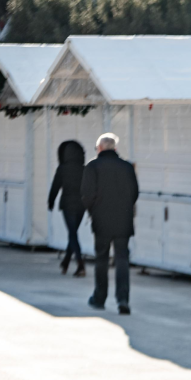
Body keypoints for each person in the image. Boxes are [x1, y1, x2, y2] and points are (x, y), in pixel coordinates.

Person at [81, 133, 139, 315]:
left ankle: (99, 298)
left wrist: (93, 211)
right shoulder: (127, 167)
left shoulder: (92, 166)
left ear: (99, 148)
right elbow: (135, 193)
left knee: (102, 259)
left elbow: (86, 194)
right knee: (122, 259)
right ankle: (123, 300)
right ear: (115, 148)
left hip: (101, 219)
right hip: (123, 220)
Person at [48, 140, 88, 277]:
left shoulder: (62, 168)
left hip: (67, 204)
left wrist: (50, 201)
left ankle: (80, 263)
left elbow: (55, 186)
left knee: (72, 233)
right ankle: (66, 261)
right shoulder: (84, 168)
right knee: (73, 233)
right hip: (82, 205)